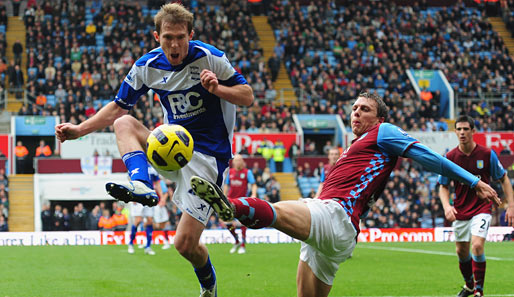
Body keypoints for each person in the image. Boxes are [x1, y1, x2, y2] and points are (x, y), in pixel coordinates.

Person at [189, 92, 501, 297]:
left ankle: (229, 205)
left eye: (364, 109)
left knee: (279, 212)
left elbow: (430, 157)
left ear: (378, 118)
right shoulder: (354, 146)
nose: (355, 113)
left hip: (336, 216)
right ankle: (235, 208)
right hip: (338, 228)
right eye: (353, 108)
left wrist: (473, 181)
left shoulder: (384, 131)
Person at [54, 3, 253, 296]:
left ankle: (209, 288)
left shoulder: (210, 58)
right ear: (156, 37)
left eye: (181, 37)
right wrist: (79, 131)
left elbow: (247, 96)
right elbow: (117, 107)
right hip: (170, 148)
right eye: (168, 37)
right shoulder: (147, 66)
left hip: (209, 158)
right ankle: (142, 184)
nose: (175, 44)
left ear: (191, 35)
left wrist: (218, 89)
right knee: (124, 122)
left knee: (185, 245)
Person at [438, 115, 514, 297]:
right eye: (459, 129)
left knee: (477, 246)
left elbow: (503, 179)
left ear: (473, 131)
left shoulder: (487, 154)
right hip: (460, 210)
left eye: (466, 129)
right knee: (461, 251)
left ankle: (479, 291)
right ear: (455, 132)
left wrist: (510, 205)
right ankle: (469, 285)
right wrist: (447, 207)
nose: (462, 132)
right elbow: (443, 187)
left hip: (482, 208)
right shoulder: (450, 157)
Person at [223, 154, 257, 254]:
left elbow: (253, 184)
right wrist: (224, 196)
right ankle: (236, 240)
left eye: (239, 160)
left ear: (242, 162)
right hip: (231, 201)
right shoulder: (231, 172)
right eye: (236, 160)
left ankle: (243, 244)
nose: (238, 162)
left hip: (242, 201)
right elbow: (226, 185)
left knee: (243, 223)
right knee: (228, 223)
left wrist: (253, 194)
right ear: (233, 162)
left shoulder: (247, 172)